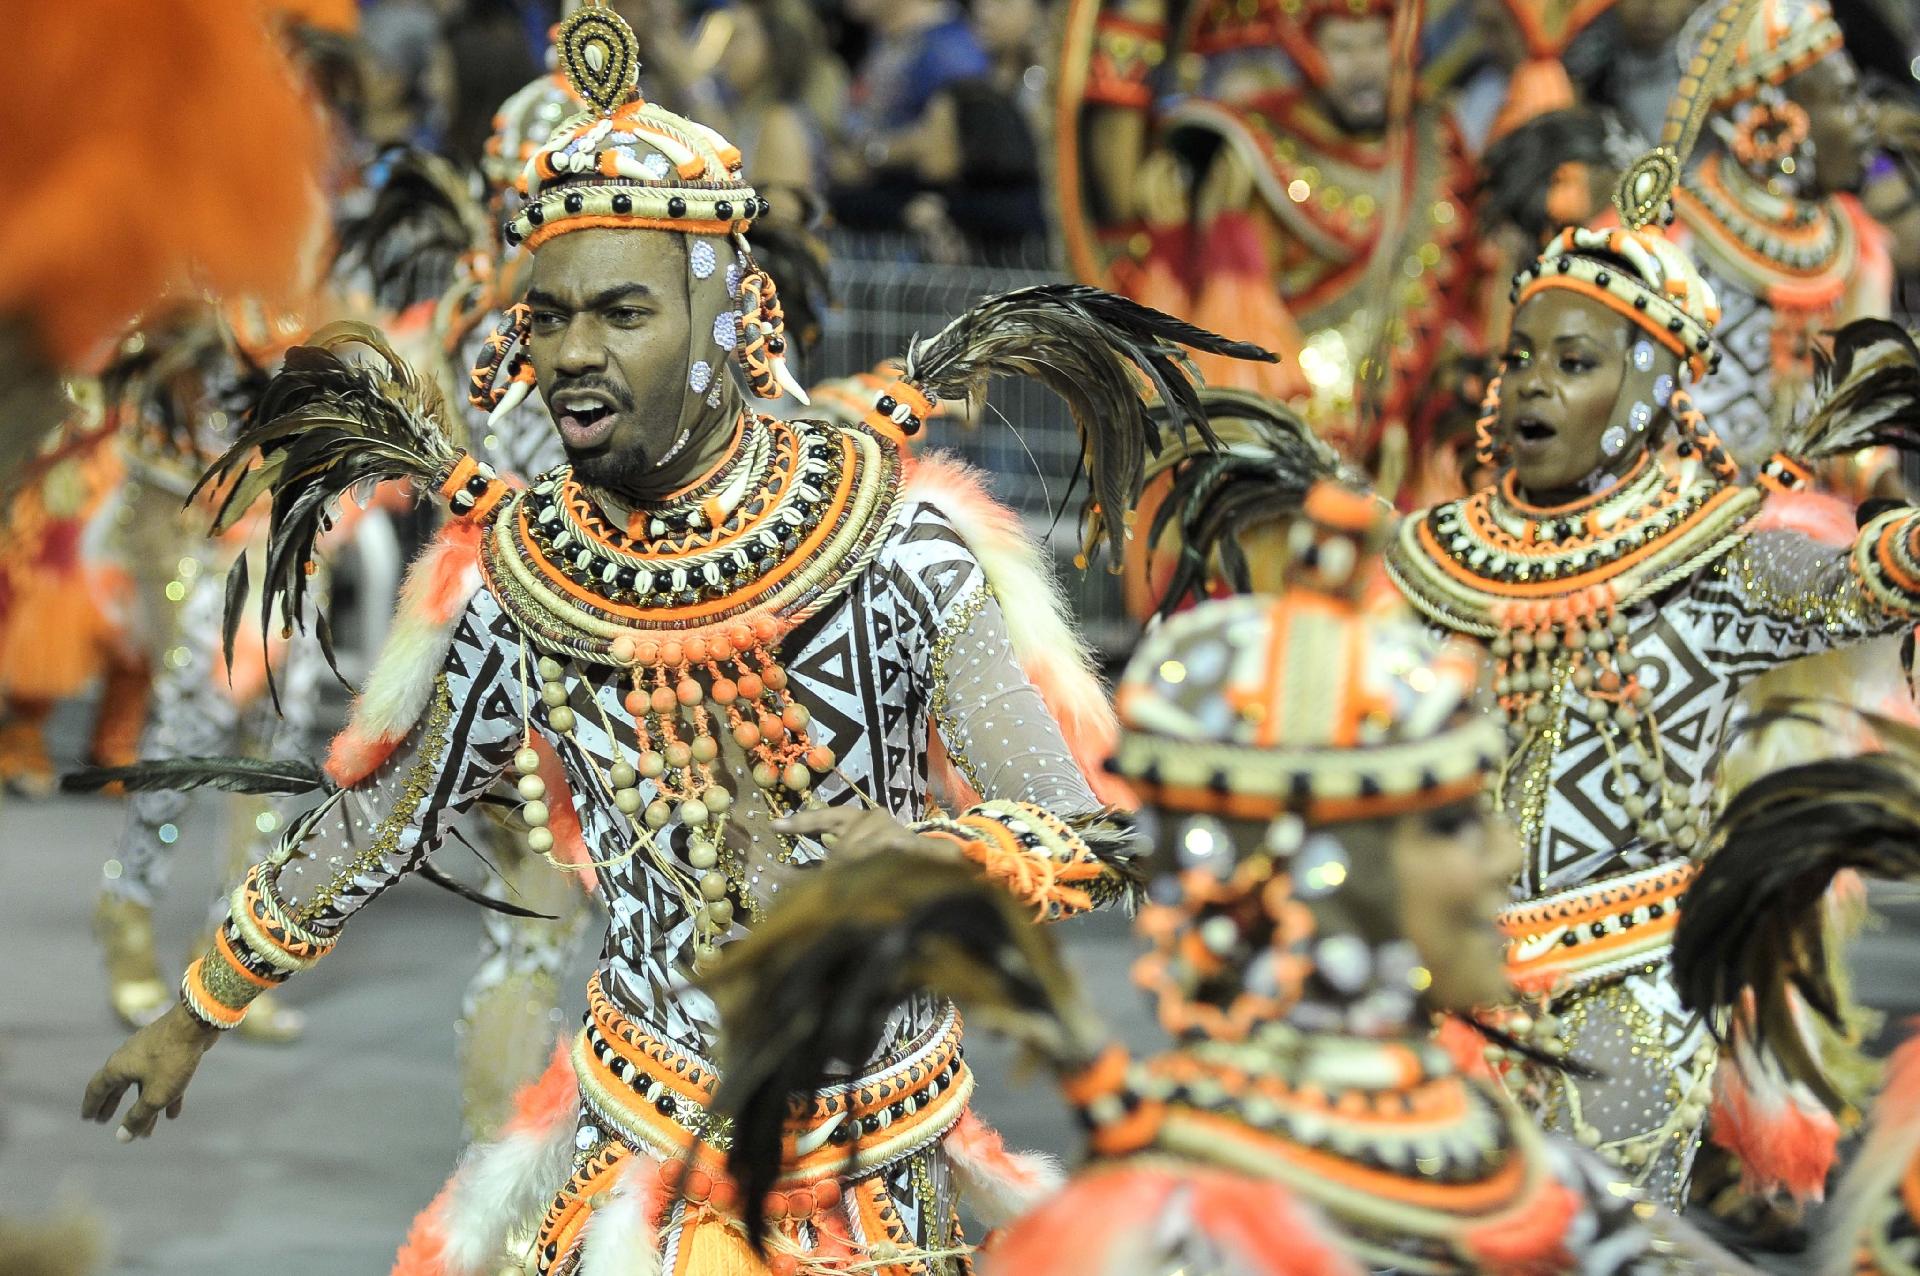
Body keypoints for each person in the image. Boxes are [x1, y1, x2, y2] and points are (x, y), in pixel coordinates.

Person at [78, 7, 1271, 1272]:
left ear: (729, 313)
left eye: (621, 312)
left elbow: (1093, 836)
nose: (571, 355)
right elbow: (383, 820)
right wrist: (196, 1012)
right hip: (636, 1162)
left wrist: (931, 859)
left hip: (870, 1184)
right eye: (546, 318)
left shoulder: (895, 552)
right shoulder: (522, 578)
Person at [706, 481, 1750, 1272]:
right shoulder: (1177, 1229)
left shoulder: (1518, 1172)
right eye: (1448, 822)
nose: (1502, 856)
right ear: (1314, 873)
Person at [1383, 7, 1920, 1197]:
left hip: (1627, 985)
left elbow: (1856, 580)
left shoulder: (1712, 554)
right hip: (1449, 989)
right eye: (1523, 358)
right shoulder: (1433, 556)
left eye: (1576, 366)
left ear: (1653, 393)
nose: (1532, 384)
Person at [1056, 0, 1482, 476]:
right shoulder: (1249, 148)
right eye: (1343, 46)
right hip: (1283, 428)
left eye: (1376, 43)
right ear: (1306, 50)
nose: (1363, 65)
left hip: (1408, 429)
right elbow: (1231, 315)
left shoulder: (1435, 141)